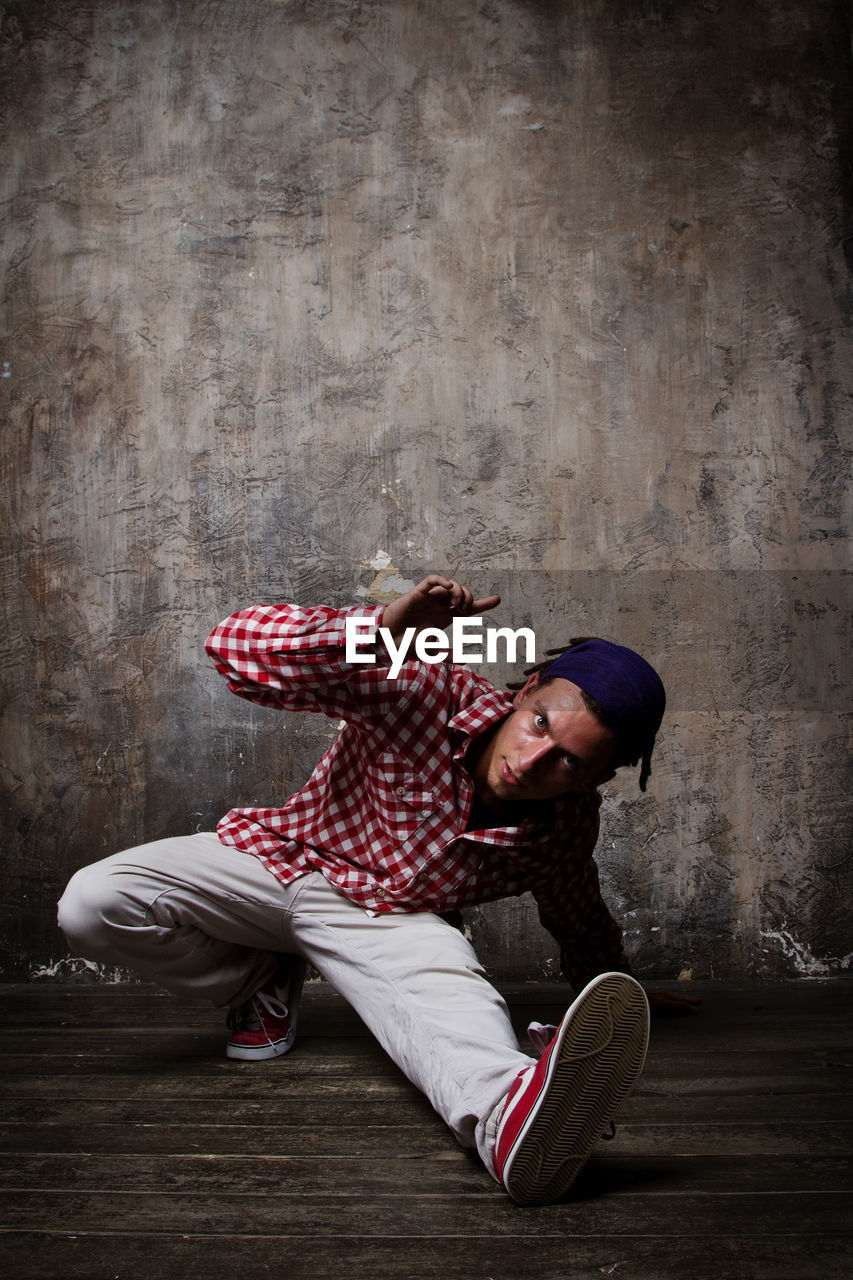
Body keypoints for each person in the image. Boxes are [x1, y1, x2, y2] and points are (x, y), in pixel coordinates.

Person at [58, 573, 698, 1207]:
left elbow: (577, 911)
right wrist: (383, 628)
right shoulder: (425, 687)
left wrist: (622, 987)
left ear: (599, 778)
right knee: (94, 902)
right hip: (278, 860)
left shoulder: (564, 825)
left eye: (569, 761)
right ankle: (257, 982)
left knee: (458, 1005)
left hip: (388, 919)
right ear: (527, 689)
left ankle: (512, 1124)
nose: (531, 762)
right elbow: (232, 647)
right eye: (538, 725)